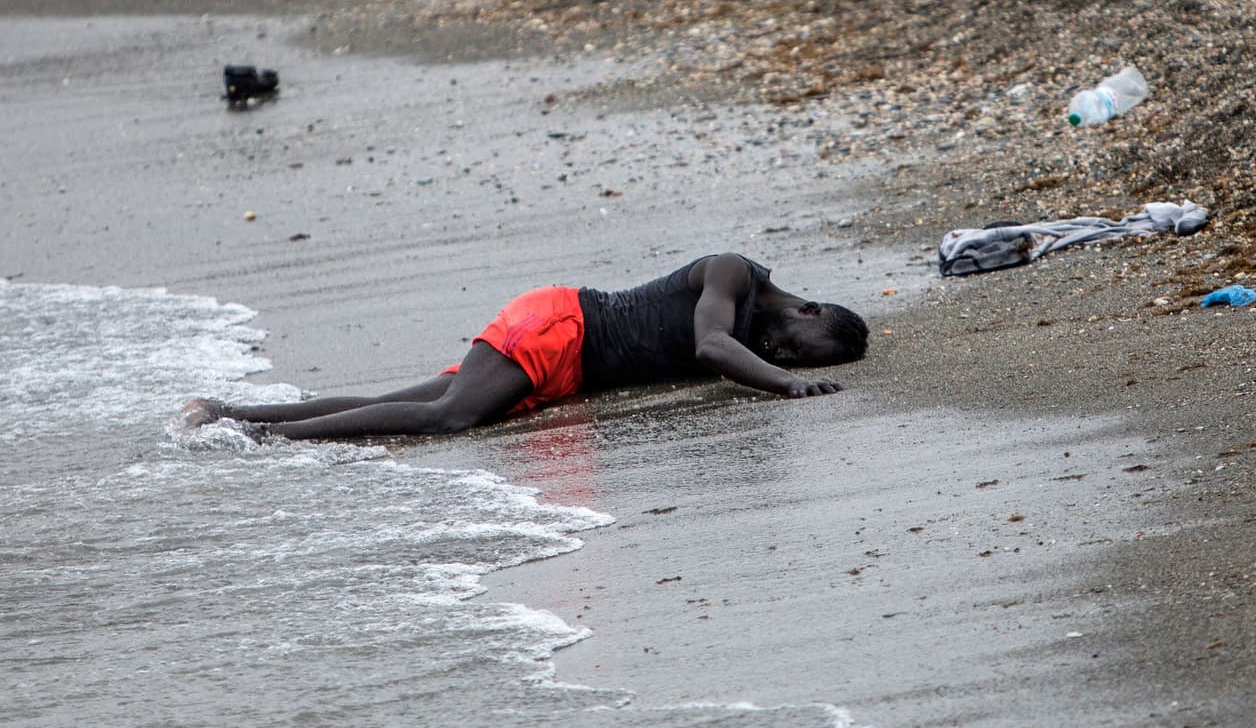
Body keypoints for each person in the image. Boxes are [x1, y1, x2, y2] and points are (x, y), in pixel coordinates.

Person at [181, 253, 869, 439]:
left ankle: (229, 414)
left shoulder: (760, 331)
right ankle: (256, 438)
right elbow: (713, 347)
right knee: (449, 416)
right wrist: (785, 387)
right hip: (560, 326)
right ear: (808, 310)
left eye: (796, 365)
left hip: (564, 363)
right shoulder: (733, 273)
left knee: (409, 400)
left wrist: (781, 375)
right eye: (802, 350)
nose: (786, 358)